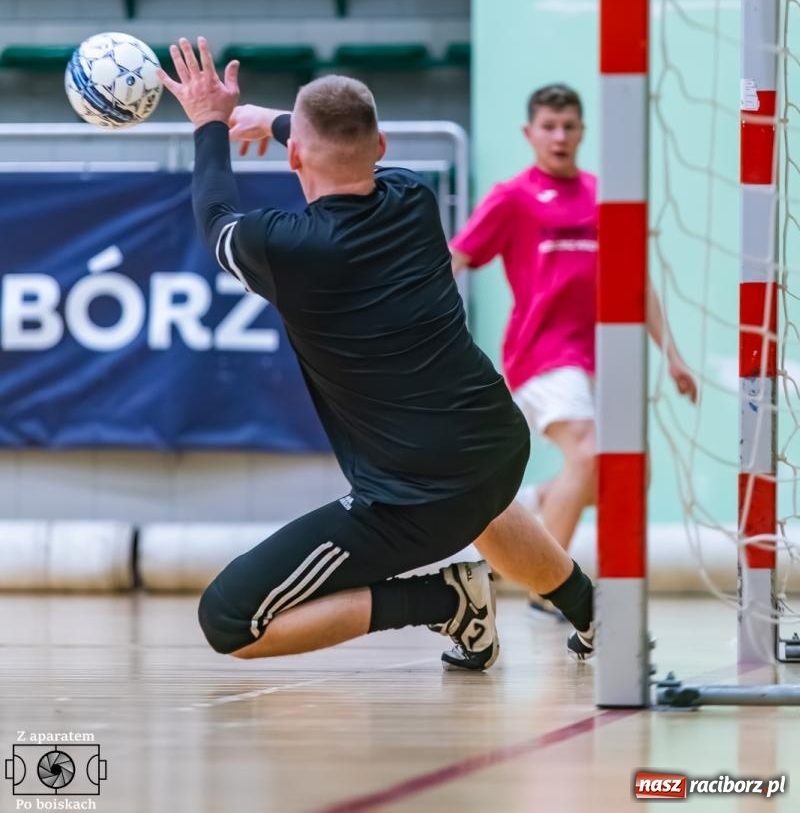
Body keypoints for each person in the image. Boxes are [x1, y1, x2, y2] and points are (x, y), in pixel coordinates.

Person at [156, 40, 597, 671]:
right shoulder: (413, 197)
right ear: (381, 146)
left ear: (295, 156)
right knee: (479, 502)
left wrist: (209, 123)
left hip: (410, 501)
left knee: (229, 619)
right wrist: (272, 119)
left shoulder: (285, 247)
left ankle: (444, 601)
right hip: (499, 446)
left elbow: (214, 216)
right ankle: (593, 610)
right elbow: (346, 143)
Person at [450, 83, 698, 611]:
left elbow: (636, 282)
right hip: (540, 353)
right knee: (587, 453)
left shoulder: (603, 196)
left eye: (568, 127)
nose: (559, 136)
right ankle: (550, 593)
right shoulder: (512, 196)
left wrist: (672, 354)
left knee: (628, 474)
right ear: (530, 133)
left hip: (599, 359)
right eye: (549, 127)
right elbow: (457, 257)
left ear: (582, 132)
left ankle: (532, 503)